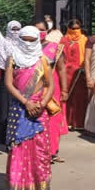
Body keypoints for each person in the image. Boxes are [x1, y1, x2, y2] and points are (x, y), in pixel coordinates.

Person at [5, 26, 54, 190]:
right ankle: (19, 185)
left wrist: (42, 103)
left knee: (40, 147)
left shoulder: (43, 60)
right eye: (24, 39)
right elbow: (9, 84)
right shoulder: (12, 59)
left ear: (37, 41)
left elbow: (49, 85)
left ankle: (41, 186)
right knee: (19, 146)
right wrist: (26, 102)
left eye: (31, 40)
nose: (27, 43)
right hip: (20, 107)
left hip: (39, 109)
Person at [35, 19, 68, 163]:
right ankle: (37, 152)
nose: (39, 33)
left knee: (53, 120)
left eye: (42, 30)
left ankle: (52, 152)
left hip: (53, 88)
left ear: (47, 31)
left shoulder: (55, 47)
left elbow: (61, 69)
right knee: (37, 120)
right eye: (36, 30)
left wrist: (65, 90)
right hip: (33, 88)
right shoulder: (26, 48)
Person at [0, 21, 21, 145]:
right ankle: (2, 137)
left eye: (17, 29)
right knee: (5, 108)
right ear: (8, 30)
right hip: (5, 78)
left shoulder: (24, 44)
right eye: (13, 29)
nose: (15, 32)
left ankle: (18, 135)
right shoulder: (2, 44)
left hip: (21, 78)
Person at [59, 18, 88, 130]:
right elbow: (60, 57)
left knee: (80, 97)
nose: (75, 31)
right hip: (67, 73)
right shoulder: (64, 40)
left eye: (77, 28)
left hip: (81, 73)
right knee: (68, 97)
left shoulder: (84, 40)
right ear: (68, 28)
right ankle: (67, 121)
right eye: (73, 29)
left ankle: (79, 122)